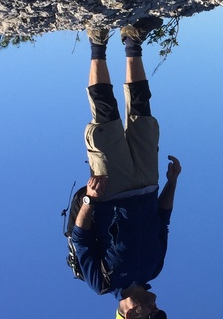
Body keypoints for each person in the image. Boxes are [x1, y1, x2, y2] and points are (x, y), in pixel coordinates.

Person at [70, 17, 178, 319]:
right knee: (142, 114)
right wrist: (173, 181)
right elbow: (163, 219)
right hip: (148, 183)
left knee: (105, 118)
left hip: (112, 189)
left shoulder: (103, 282)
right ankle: (132, 41)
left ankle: (97, 43)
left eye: (152, 316)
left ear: (131, 316)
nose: (157, 309)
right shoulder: (155, 268)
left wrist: (90, 200)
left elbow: (81, 239)